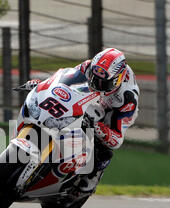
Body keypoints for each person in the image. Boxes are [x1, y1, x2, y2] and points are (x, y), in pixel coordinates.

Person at [17, 48, 140, 193]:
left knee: (104, 146)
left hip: (110, 111)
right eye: (95, 78)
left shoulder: (127, 98)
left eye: (103, 82)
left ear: (117, 79)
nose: (97, 84)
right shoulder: (88, 67)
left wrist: (97, 127)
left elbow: (117, 139)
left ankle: (93, 175)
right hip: (89, 100)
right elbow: (62, 82)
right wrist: (41, 85)